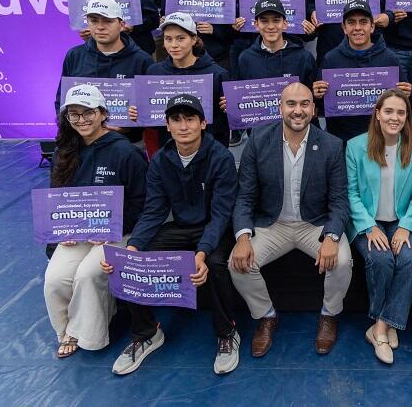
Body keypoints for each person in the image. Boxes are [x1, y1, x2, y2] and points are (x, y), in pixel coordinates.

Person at [102, 94, 240, 375]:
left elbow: (222, 214)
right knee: (132, 263)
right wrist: (133, 248)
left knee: (214, 263)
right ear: (167, 126)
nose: (183, 126)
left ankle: (227, 333)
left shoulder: (221, 157)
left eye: (190, 119)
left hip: (215, 227)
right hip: (180, 227)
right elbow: (153, 211)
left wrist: (201, 252)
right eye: (176, 120)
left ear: (203, 123)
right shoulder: (161, 160)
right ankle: (147, 333)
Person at [230, 82, 352, 357]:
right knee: (236, 264)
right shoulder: (259, 141)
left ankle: (329, 315)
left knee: (342, 260)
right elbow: (245, 197)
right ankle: (266, 316)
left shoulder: (332, 145)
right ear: (280, 108)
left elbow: (339, 201)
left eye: (305, 104)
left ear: (313, 108)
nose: (298, 110)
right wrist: (243, 237)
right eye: (291, 104)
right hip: (273, 224)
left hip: (315, 223)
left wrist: (332, 237)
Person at [43, 84, 147, 358]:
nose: (81, 120)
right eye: (74, 114)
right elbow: (56, 201)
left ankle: (88, 334)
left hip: (118, 231)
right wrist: (61, 229)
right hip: (77, 233)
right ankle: (65, 330)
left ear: (103, 113)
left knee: (89, 274)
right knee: (55, 278)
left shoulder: (126, 153)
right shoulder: (63, 152)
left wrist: (115, 227)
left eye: (88, 112)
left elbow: (143, 203)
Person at [345, 89, 412, 364]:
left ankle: (380, 326)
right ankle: (387, 326)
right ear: (377, 114)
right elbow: (352, 193)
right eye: (389, 111)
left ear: (407, 117)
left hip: (403, 220)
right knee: (380, 259)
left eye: (401, 112)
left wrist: (407, 225)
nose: (395, 117)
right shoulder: (356, 146)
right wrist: (369, 227)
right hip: (369, 221)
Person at [55, 0, 152, 145]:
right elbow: (61, 101)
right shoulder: (75, 55)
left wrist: (130, 127)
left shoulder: (142, 60)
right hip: (82, 141)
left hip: (127, 142)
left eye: (107, 21)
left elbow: (151, 108)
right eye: (94, 21)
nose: (100, 27)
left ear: (121, 25)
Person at [313, 0, 411, 142]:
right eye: (351, 22)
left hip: (379, 138)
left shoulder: (390, 59)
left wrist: (406, 94)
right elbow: (322, 106)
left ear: (372, 26)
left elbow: (403, 103)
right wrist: (317, 95)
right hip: (341, 139)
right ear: (344, 28)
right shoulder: (331, 59)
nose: (357, 27)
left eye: (363, 22)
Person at [147, 12, 230, 146]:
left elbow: (224, 125)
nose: (174, 45)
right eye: (168, 39)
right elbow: (153, 121)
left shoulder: (217, 74)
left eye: (181, 38)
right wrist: (139, 112)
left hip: (208, 151)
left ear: (194, 39)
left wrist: (229, 109)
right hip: (169, 150)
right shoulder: (154, 72)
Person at [235, 0, 317, 86]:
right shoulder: (245, 58)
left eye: (276, 20)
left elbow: (312, 93)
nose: (270, 26)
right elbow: (241, 95)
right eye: (264, 21)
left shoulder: (304, 57)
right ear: (256, 25)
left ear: (285, 24)